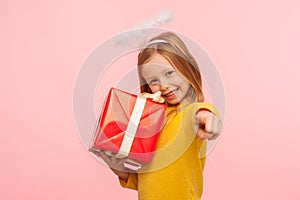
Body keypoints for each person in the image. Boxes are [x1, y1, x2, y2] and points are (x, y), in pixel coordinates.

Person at [98, 32, 222, 199]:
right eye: (154, 81)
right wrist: (120, 170)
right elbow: (147, 180)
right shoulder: (150, 122)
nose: (163, 85)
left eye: (169, 73)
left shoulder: (189, 113)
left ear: (187, 68)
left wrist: (209, 119)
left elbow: (202, 113)